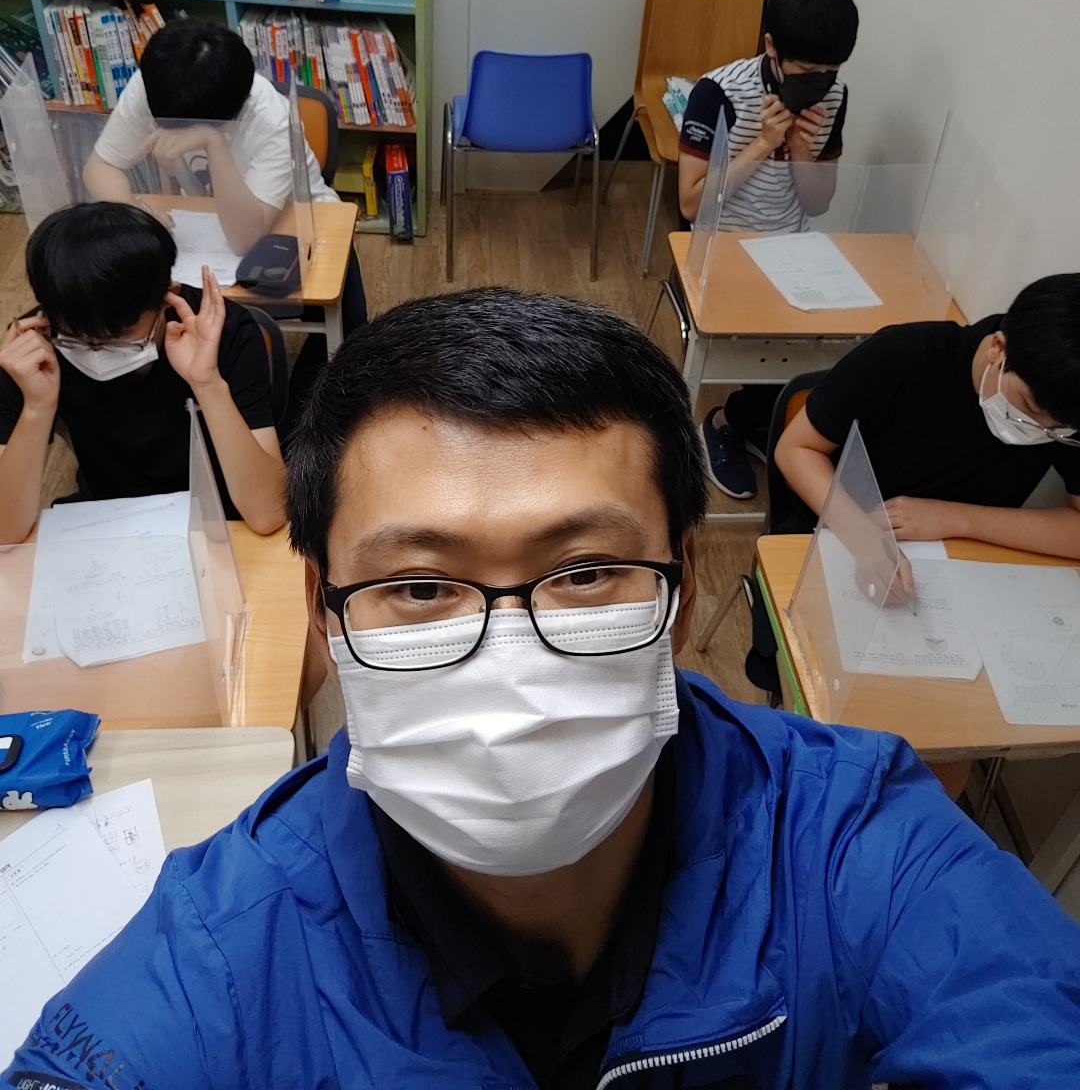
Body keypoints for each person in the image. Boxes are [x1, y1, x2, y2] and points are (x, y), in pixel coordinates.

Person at [6, 287, 1078, 1090]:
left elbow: (1018, 1012)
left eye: (586, 572)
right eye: (418, 585)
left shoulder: (846, 836)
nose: (509, 657)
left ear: (681, 587)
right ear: (325, 616)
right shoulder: (222, 948)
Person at [0, 202, 285, 540]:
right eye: (78, 339)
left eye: (118, 338)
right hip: (109, 520)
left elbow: (267, 513)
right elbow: (5, 531)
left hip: (221, 518)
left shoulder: (222, 332)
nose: (96, 350)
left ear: (168, 297)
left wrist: (206, 382)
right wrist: (36, 407)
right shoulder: (36, 348)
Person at [677, 0, 859, 500]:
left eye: (828, 73)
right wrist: (760, 144)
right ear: (771, 47)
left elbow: (818, 202)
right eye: (805, 74)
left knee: (831, 359)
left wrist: (801, 151)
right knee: (765, 353)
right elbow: (691, 203)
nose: (817, 84)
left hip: (791, 244)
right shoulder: (717, 92)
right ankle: (724, 425)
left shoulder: (835, 95)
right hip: (721, 245)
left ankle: (749, 420)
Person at [774, 273, 1080, 562]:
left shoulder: (1069, 404)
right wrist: (865, 540)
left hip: (963, 557)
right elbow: (797, 449)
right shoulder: (905, 355)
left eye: (1061, 429)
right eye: (1029, 407)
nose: (1042, 430)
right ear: (999, 349)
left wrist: (957, 519)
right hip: (837, 530)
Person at [82, 19, 338, 254]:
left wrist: (212, 142)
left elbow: (245, 240)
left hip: (299, 225)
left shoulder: (273, 120)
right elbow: (101, 167)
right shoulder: (157, 84)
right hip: (206, 225)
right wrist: (135, 215)